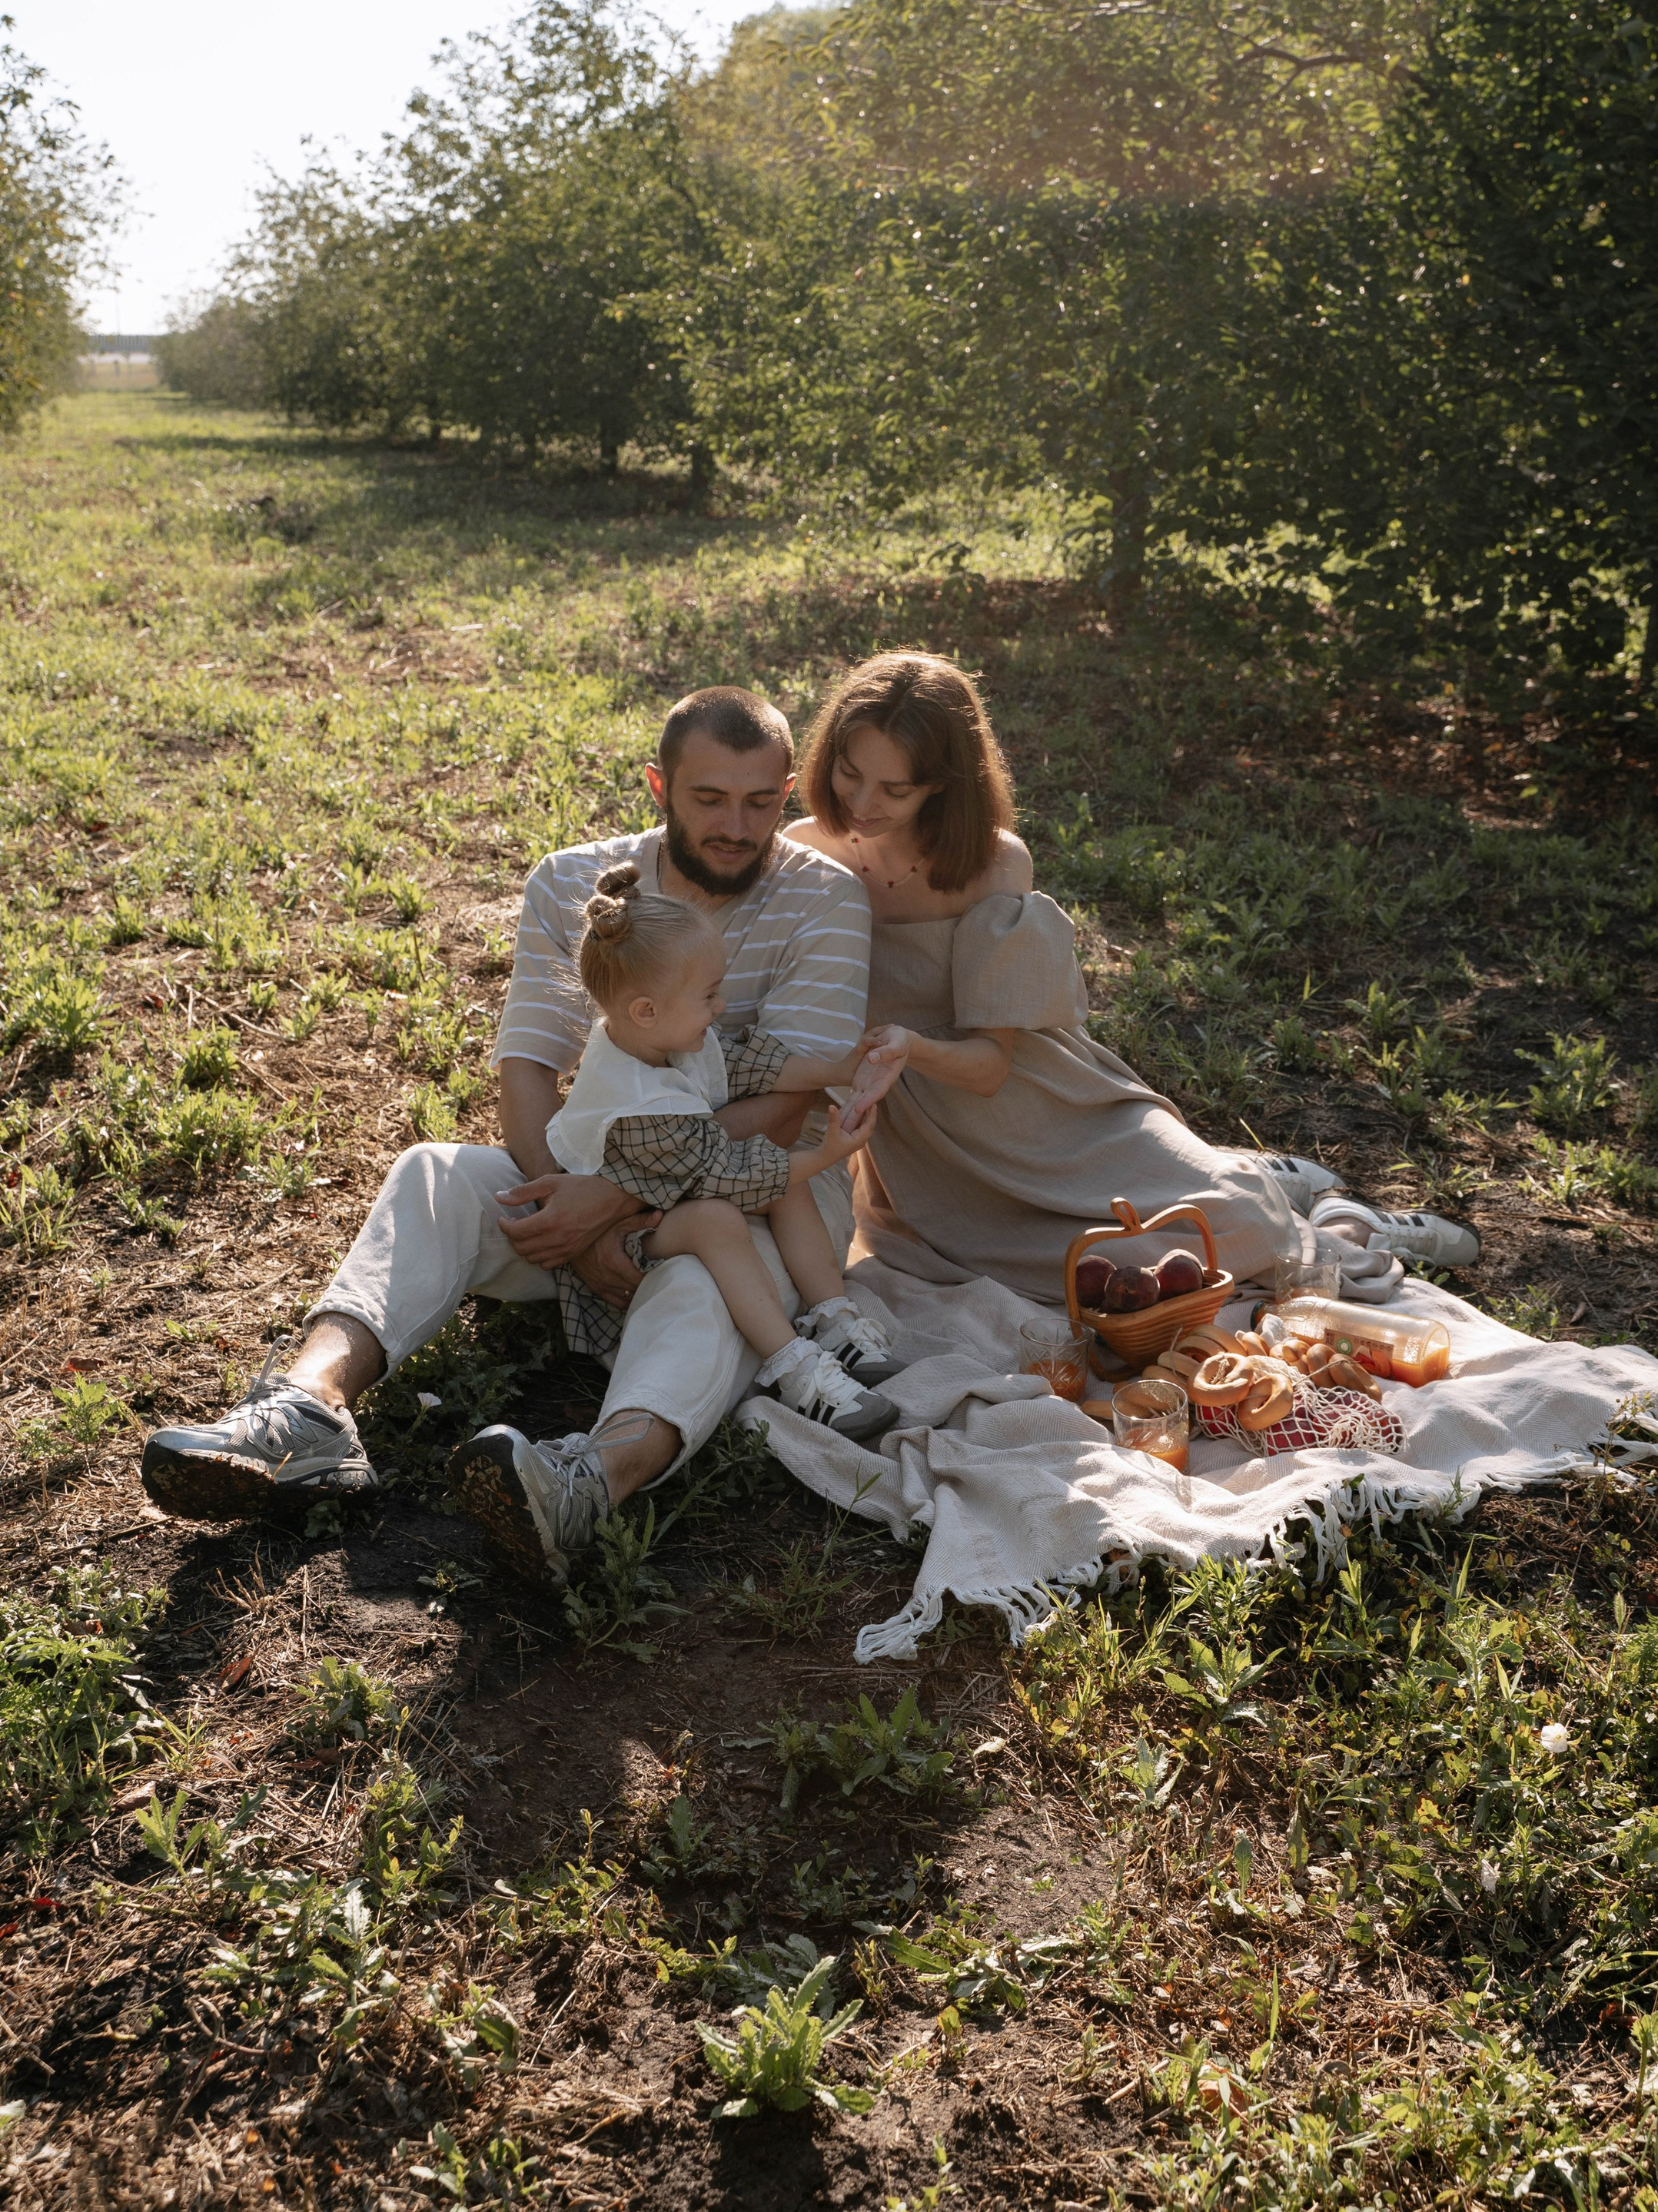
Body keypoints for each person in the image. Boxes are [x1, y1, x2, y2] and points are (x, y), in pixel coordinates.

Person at [139, 686, 894, 1582]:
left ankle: (588, 1482)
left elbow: (777, 1104)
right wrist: (560, 1210)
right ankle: (308, 1409)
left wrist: (606, 1207)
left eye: (762, 801)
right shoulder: (577, 881)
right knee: (433, 1171)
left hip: (756, 1191)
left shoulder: (827, 900)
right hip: (589, 1167)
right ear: (658, 785)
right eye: (709, 798)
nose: (738, 824)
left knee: (708, 1278)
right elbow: (529, 1067)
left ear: (788, 791)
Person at [795, 652, 1480, 1298]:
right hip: (928, 1152)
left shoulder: (992, 864)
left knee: (1242, 1231)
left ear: (943, 785)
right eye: (849, 773)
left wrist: (909, 1046)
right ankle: (1259, 1174)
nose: (861, 801)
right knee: (1105, 1266)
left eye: (896, 788)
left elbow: (990, 1068)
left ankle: (1349, 1224)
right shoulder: (799, 855)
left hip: (1034, 1107)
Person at [538, 860, 901, 1437]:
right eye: (709, 996)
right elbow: (729, 1176)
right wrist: (831, 1153)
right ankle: (797, 1371)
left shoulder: (660, 1038)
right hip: (615, 1241)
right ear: (647, 1010)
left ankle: (833, 1318)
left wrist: (841, 1065)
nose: (721, 1007)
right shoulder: (640, 1107)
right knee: (718, 1220)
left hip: (661, 1196)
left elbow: (749, 1063)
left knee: (788, 1180)